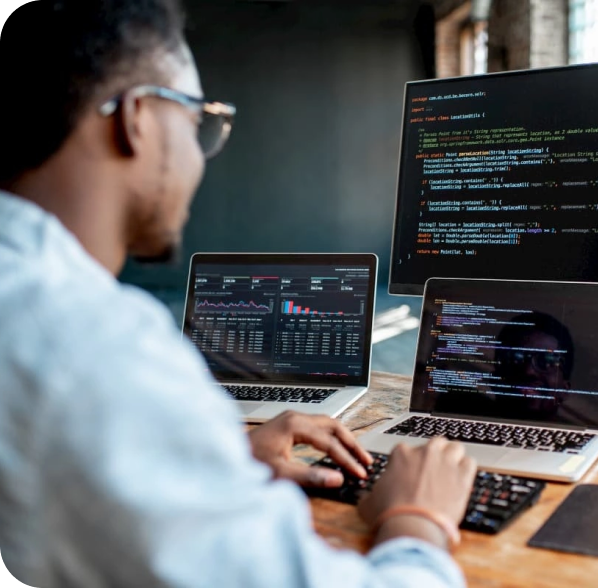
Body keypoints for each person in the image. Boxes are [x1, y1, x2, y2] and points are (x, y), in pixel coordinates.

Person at [0, 2, 476, 587]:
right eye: (199, 119)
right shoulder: (95, 348)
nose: (202, 157)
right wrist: (418, 519)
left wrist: (211, 462)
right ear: (138, 118)